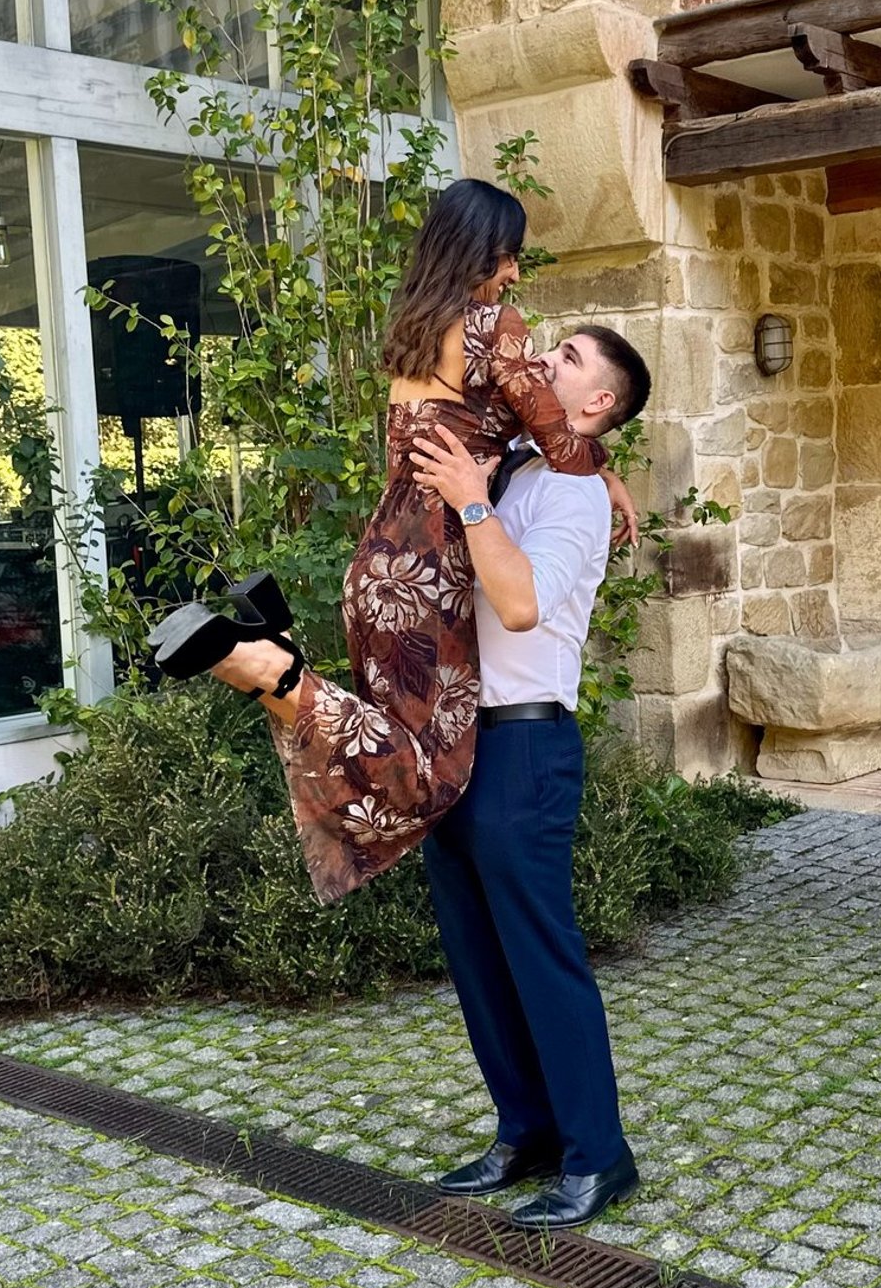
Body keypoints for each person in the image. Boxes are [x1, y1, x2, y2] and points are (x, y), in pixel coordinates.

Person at [215, 323, 652, 1228]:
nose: (542, 366)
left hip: (525, 746)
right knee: (476, 955)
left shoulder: (570, 500)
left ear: (598, 403)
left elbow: (522, 604)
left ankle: (599, 1157)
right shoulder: (525, 462)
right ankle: (524, 1130)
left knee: (541, 955)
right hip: (449, 742)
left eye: (566, 361)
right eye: (551, 349)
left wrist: (475, 502)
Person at [204, 178, 637, 905]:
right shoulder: (493, 328)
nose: (514, 275)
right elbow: (562, 442)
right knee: (431, 769)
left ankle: (276, 662)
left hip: (378, 562)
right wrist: (610, 472)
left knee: (397, 735)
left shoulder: (413, 327)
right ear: (483, 253)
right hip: (432, 567)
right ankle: (273, 668)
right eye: (510, 258)